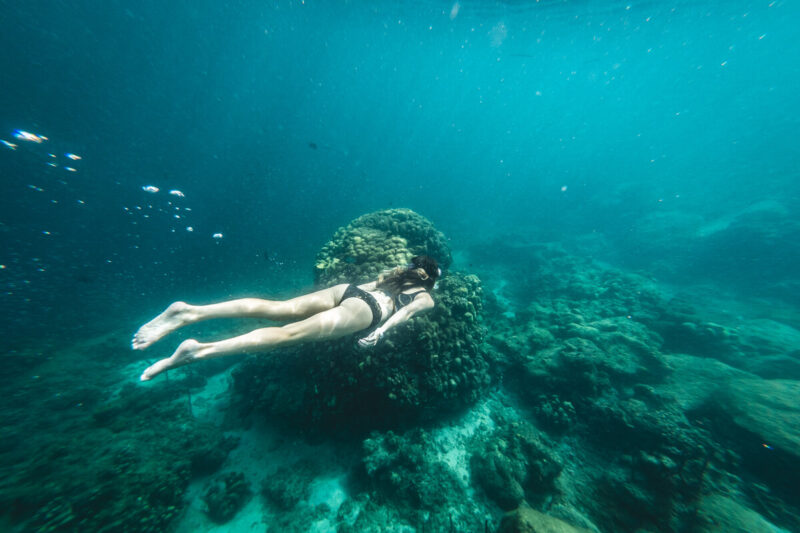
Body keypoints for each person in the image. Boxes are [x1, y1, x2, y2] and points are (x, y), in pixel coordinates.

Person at [133, 255, 442, 381]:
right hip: (368, 312)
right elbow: (405, 314)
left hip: (345, 291)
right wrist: (380, 332)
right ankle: (198, 350)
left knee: (276, 307)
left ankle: (188, 311)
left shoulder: (396, 274)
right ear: (430, 280)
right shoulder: (426, 297)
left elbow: (368, 288)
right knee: (286, 335)